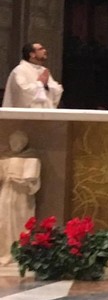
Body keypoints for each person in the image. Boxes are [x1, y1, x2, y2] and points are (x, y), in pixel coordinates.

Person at [0, 131, 41, 266]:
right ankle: (5, 252)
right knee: (4, 221)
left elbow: (32, 180)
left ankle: (20, 252)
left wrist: (21, 181)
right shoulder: (5, 157)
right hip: (6, 193)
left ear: (24, 143)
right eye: (13, 142)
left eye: (18, 142)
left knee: (21, 223)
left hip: (21, 196)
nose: (15, 145)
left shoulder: (31, 158)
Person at [2, 42, 63, 108]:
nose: (45, 51)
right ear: (32, 54)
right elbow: (22, 91)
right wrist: (40, 84)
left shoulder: (43, 70)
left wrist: (46, 86)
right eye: (40, 49)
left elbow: (57, 89)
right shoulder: (20, 70)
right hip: (25, 113)